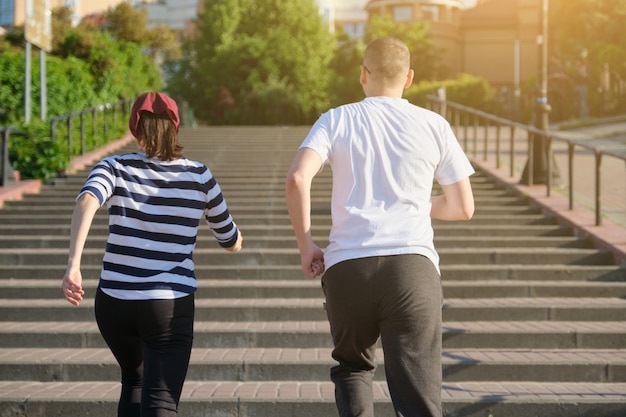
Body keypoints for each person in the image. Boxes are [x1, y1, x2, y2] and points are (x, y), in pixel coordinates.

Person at [285, 37, 475, 417]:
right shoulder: (434, 124)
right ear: (409, 78)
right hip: (412, 268)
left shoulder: (336, 119)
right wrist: (416, 202)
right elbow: (463, 207)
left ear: (363, 74)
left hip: (348, 267)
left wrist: (307, 245)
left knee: (353, 369)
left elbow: (297, 179)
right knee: (419, 392)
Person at [61, 91, 243, 417]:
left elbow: (87, 200)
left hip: (114, 301)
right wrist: (237, 240)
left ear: (135, 127)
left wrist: (74, 265)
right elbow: (228, 238)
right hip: (167, 304)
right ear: (175, 127)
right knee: (160, 400)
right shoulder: (199, 175)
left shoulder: (114, 166)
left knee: (134, 380)